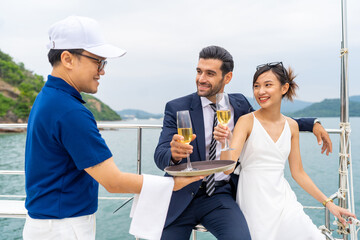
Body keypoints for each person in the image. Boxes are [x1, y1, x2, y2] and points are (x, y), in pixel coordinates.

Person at [23, 16, 204, 240]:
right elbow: (113, 181)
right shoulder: (70, 112)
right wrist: (173, 183)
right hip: (64, 227)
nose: (102, 71)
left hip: (45, 223)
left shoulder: (47, 98)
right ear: (68, 59)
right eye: (98, 61)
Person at [154, 46, 332, 240]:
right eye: (199, 71)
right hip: (181, 194)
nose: (201, 79)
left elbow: (268, 120)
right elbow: (160, 155)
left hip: (219, 195)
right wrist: (173, 152)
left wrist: (312, 123)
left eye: (210, 73)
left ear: (227, 78)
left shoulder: (238, 105)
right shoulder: (177, 107)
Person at [214, 62, 356, 240]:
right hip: (253, 201)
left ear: (284, 88)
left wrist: (329, 204)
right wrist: (225, 142)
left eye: (268, 85)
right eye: (256, 86)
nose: (260, 91)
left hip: (284, 201)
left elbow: (298, 173)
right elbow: (227, 169)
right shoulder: (246, 121)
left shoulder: (292, 126)